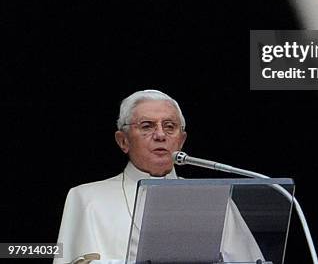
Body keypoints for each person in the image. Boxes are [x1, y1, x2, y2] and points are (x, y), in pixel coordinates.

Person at [54, 89, 264, 264]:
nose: (160, 135)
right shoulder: (87, 198)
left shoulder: (213, 201)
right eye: (147, 126)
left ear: (181, 141)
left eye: (169, 126)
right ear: (123, 141)